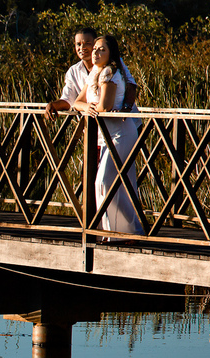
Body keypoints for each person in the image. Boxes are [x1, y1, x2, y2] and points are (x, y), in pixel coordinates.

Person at [71, 35, 143, 243]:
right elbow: (78, 102)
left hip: (122, 132)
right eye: (95, 48)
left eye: (101, 49)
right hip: (106, 135)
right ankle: (119, 231)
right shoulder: (94, 73)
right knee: (114, 183)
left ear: (111, 54)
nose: (95, 52)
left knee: (105, 181)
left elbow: (105, 105)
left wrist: (92, 109)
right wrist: (86, 108)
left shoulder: (110, 73)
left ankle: (116, 233)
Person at [44, 27, 137, 119]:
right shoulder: (73, 71)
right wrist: (53, 105)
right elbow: (69, 100)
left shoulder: (115, 64)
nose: (82, 48)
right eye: (78, 44)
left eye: (87, 44)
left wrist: (126, 109)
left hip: (125, 121)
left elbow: (131, 85)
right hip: (95, 126)